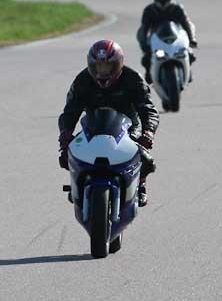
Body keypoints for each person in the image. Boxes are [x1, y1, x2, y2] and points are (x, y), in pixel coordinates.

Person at [58, 40, 159, 206]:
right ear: (91, 65)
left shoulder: (133, 79)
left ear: (118, 64)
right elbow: (70, 111)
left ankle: (140, 184)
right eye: (98, 66)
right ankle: (78, 184)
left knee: (146, 160)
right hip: (92, 125)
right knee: (66, 155)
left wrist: (148, 131)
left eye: (107, 66)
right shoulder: (82, 80)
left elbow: (148, 109)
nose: (102, 72)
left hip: (128, 127)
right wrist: (65, 132)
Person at [136, 0, 198, 84]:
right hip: (156, 39)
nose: (162, 0)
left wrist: (192, 39)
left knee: (190, 54)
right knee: (146, 58)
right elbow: (143, 29)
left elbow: (187, 24)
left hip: (176, 38)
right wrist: (144, 45)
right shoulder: (149, 10)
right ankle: (149, 72)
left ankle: (188, 69)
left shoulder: (177, 8)